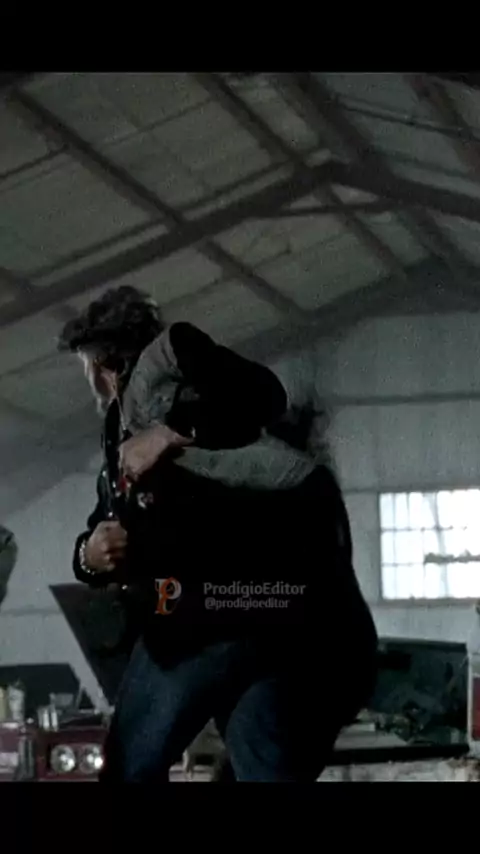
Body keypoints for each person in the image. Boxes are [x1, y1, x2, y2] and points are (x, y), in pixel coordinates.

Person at [58, 285, 378, 783]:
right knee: (264, 767)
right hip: (261, 622)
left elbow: (264, 393)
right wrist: (89, 555)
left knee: (127, 770)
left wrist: (167, 434)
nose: (92, 382)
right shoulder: (124, 437)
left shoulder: (186, 378)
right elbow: (109, 521)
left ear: (103, 364)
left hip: (206, 621)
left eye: (89, 367)